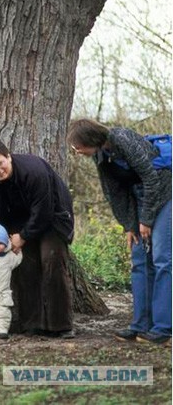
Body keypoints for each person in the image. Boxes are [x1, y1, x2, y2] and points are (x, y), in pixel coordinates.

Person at [67, 118, 172, 345]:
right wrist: (130, 226)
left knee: (162, 258)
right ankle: (141, 326)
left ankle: (164, 329)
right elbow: (115, 193)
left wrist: (146, 219)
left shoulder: (123, 139)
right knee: (139, 260)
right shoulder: (100, 156)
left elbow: (152, 179)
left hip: (165, 195)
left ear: (90, 139)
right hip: (141, 202)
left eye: (78, 146)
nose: (76, 151)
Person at [0, 140, 75, 338]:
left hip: (53, 219)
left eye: (0, 163)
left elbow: (44, 210)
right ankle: (33, 323)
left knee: (51, 260)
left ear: (9, 157)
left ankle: (61, 324)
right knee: (26, 265)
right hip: (20, 224)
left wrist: (23, 236)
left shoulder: (33, 171)